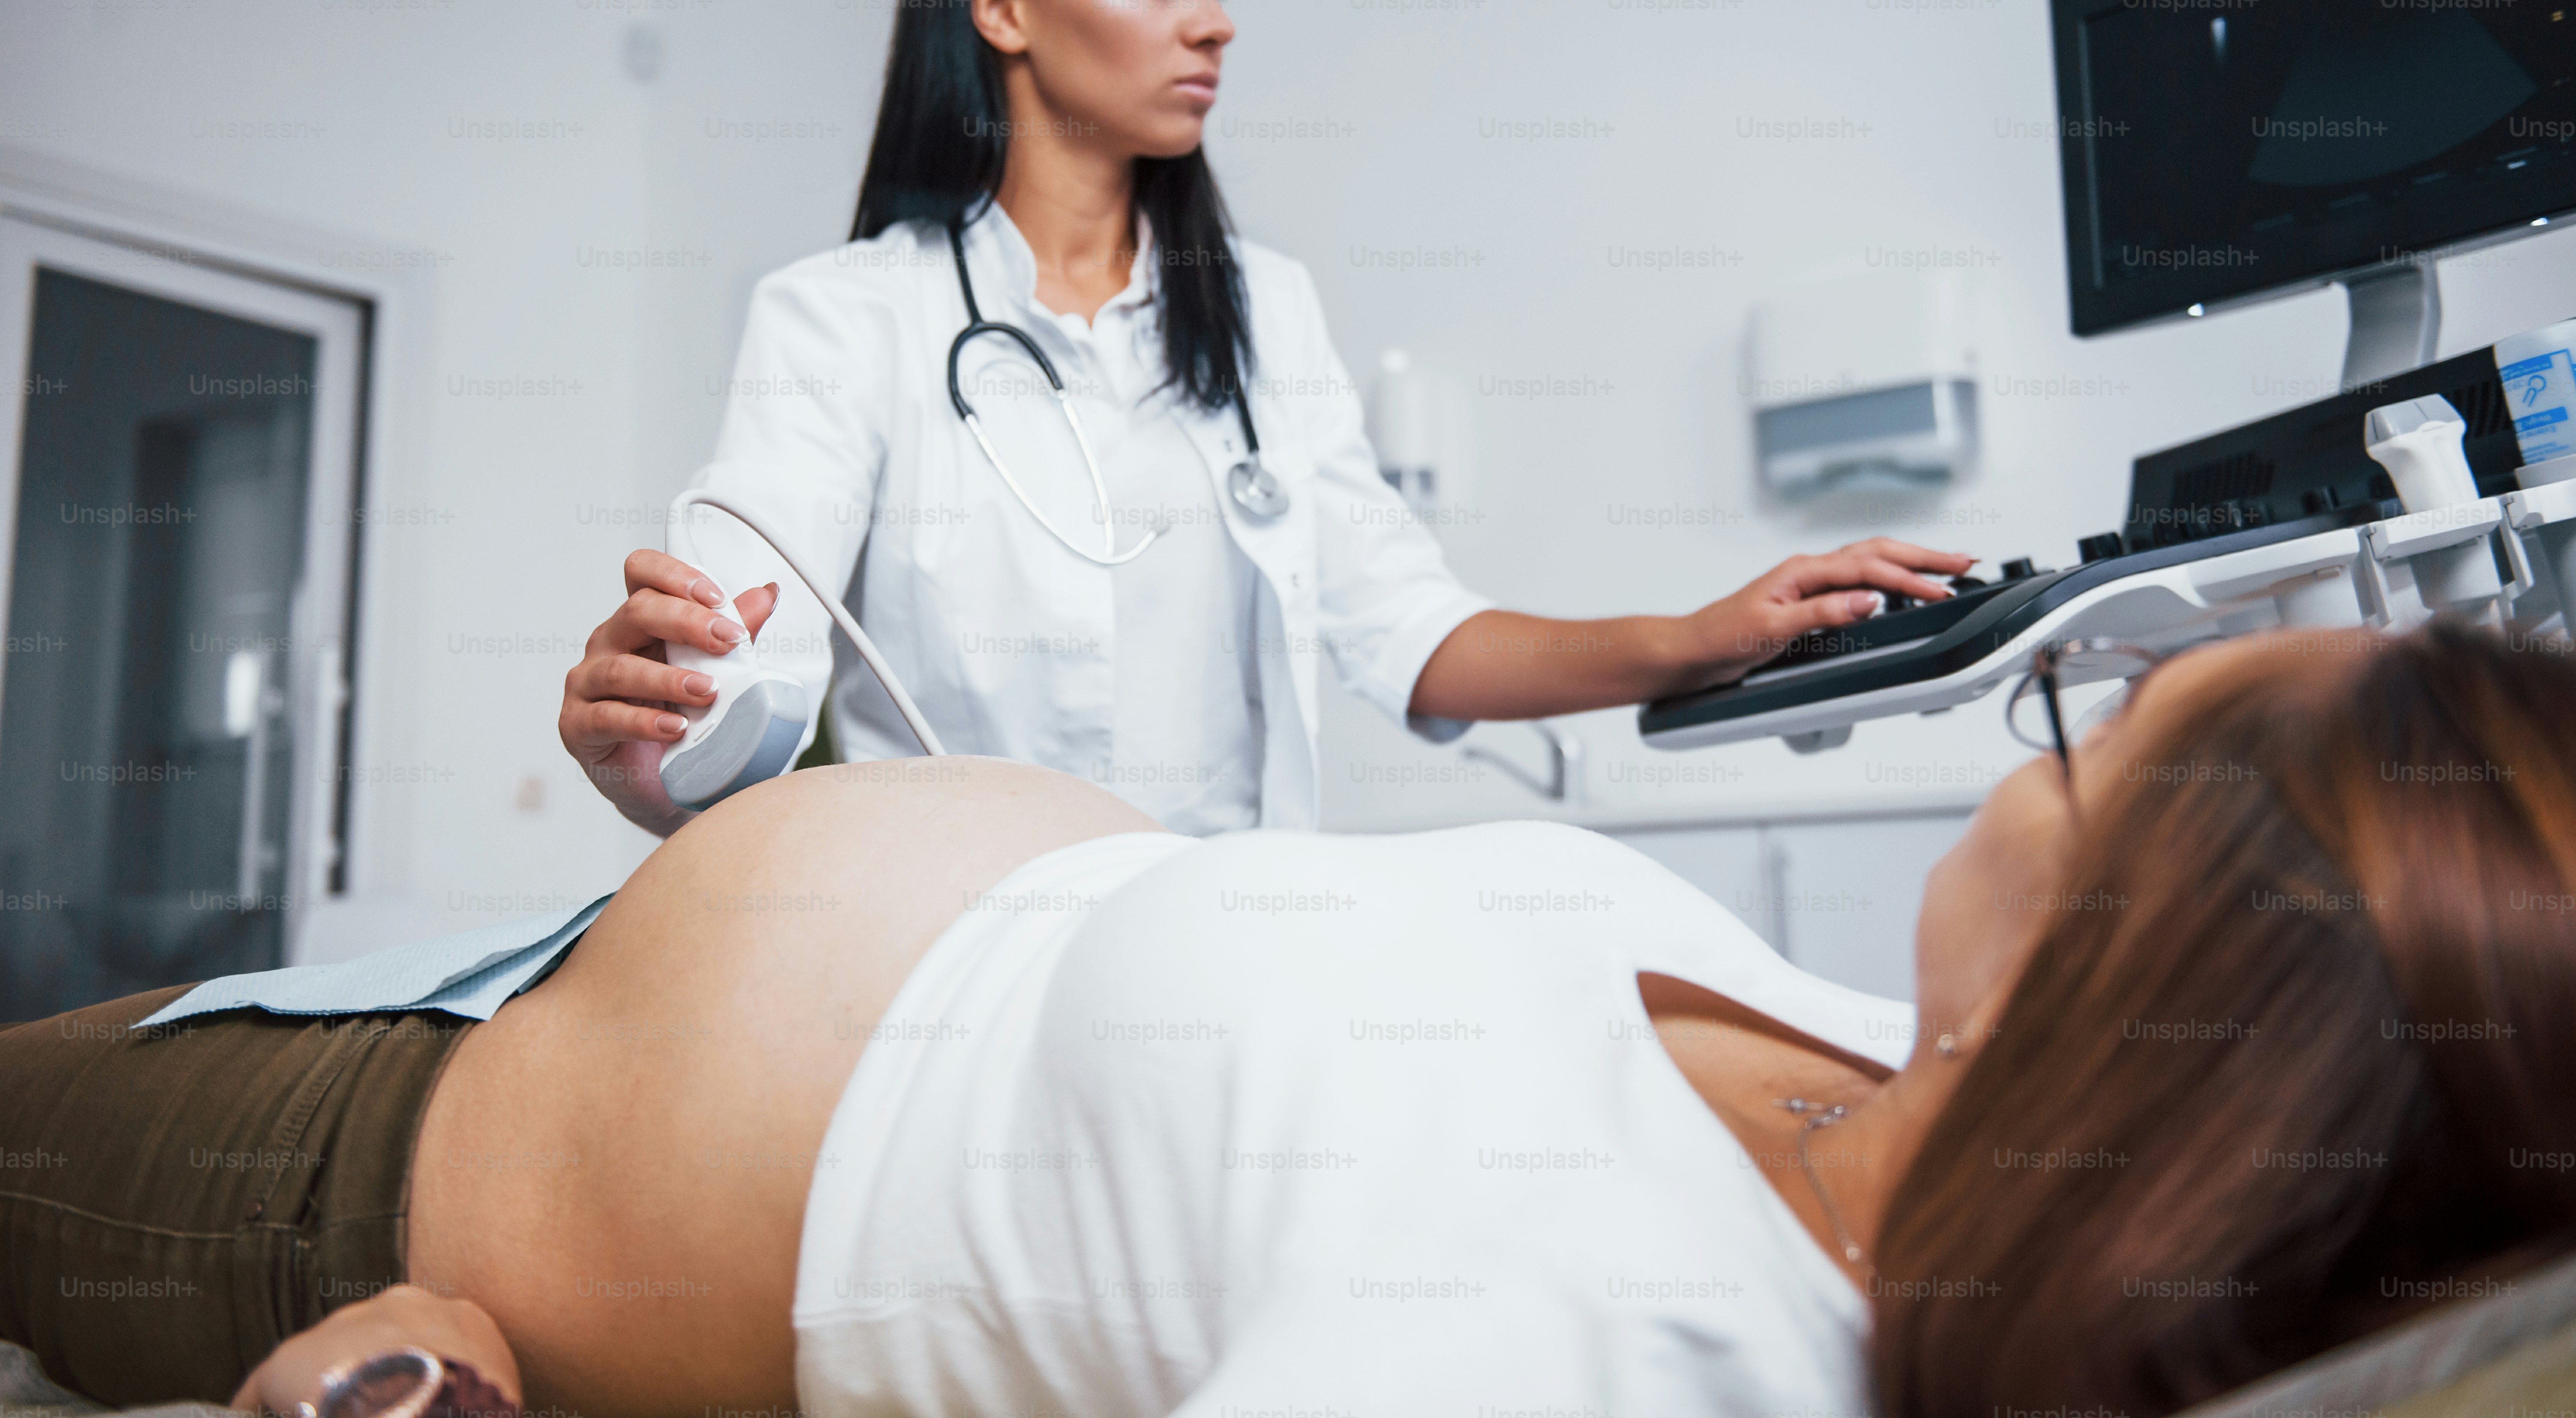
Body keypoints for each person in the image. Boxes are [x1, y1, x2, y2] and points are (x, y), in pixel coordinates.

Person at [6, 621, 2571, 1416]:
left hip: (382, 1183)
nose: (2048, 725)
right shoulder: (1864, 1062)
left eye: (2102, 729)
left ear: (2151, 966)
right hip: (505, 981)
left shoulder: (1577, 1359)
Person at [555, 0, 1971, 839]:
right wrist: (650, 748)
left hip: (1230, 935)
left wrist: (1706, 635)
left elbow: (1410, 630)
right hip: (960, 952)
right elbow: (740, 688)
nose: (1215, 19)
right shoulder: (844, 319)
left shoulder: (1263, 315)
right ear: (1001, 7)